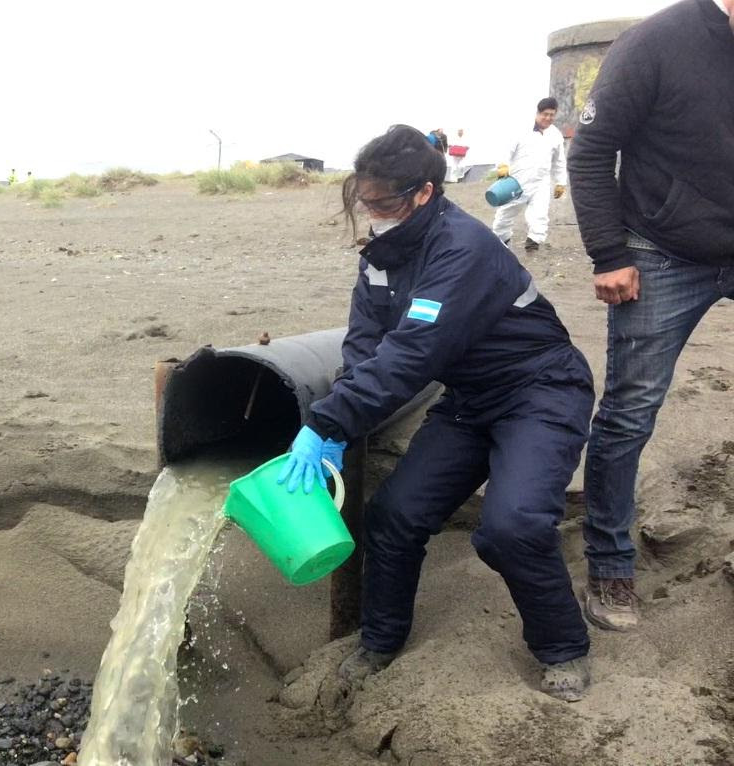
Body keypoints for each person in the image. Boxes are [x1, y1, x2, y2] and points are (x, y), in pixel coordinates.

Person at [277, 125, 596, 701]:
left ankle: (563, 647)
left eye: (382, 203)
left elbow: (413, 353)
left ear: (423, 193)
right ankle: (380, 641)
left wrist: (325, 422)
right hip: (471, 400)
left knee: (511, 527)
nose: (371, 213)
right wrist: (342, 415)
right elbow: (366, 343)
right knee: (394, 514)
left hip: (541, 389)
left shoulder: (463, 248)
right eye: (363, 200)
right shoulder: (381, 254)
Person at [567, 0, 734, 632]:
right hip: (660, 251)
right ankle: (611, 565)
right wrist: (608, 253)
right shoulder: (655, 42)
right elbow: (591, 151)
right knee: (631, 411)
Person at [492, 98, 568, 253]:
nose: (548, 118)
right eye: (545, 114)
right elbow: (506, 150)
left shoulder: (555, 135)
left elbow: (559, 161)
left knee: (539, 216)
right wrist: (502, 165)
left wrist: (561, 182)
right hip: (516, 182)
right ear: (537, 113)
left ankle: (533, 245)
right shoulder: (520, 130)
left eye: (551, 115)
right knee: (504, 215)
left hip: (541, 183)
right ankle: (501, 241)